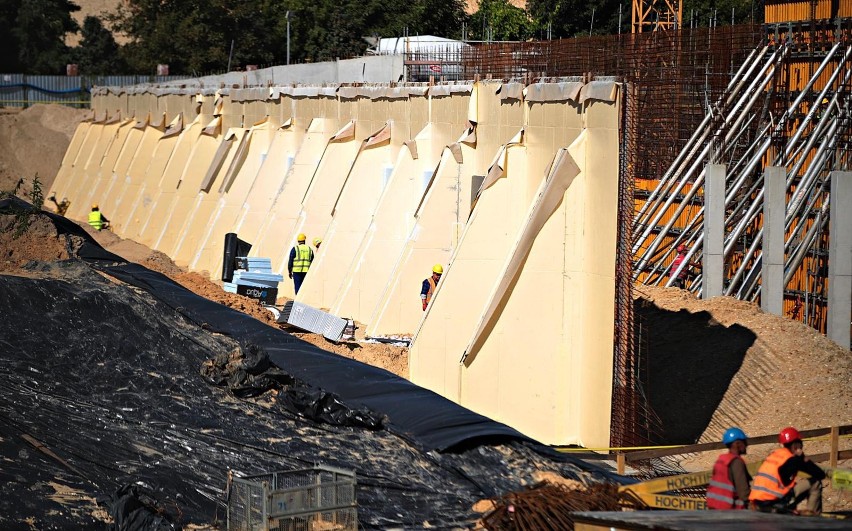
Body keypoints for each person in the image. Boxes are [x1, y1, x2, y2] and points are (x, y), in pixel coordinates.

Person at [749, 426, 826, 515]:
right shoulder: (792, 459)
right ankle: (814, 517)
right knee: (815, 483)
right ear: (795, 445)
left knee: (792, 486)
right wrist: (803, 458)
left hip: (758, 502)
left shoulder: (775, 455)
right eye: (800, 443)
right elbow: (820, 474)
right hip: (774, 503)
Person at [707, 427, 751, 510]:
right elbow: (744, 493)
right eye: (744, 442)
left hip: (714, 507)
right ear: (737, 443)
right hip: (731, 511)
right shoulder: (736, 462)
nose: (746, 445)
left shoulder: (721, 460)